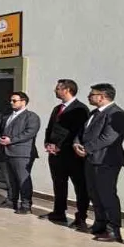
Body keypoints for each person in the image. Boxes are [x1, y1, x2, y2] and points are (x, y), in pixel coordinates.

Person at [74, 83, 124, 243]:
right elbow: (82, 131)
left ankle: (114, 230)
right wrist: (76, 143)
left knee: (107, 194)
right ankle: (100, 224)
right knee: (94, 193)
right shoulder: (94, 113)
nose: (89, 97)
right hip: (91, 159)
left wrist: (86, 148)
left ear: (103, 96)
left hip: (106, 160)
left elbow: (109, 137)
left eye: (92, 94)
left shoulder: (117, 114)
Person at [43, 79, 91, 228]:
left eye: (58, 88)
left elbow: (78, 132)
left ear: (67, 90)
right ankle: (59, 212)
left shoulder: (80, 109)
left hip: (72, 155)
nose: (55, 91)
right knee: (59, 183)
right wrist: (48, 143)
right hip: (55, 155)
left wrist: (61, 146)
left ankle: (81, 216)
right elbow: (50, 128)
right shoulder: (57, 108)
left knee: (80, 186)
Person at [0, 91, 41, 214]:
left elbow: (29, 133)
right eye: (11, 100)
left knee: (22, 179)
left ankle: (26, 204)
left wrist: (11, 140)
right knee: (9, 179)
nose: (11, 103)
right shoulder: (6, 116)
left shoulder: (31, 117)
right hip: (5, 151)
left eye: (14, 100)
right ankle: (11, 200)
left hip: (21, 153)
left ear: (23, 101)